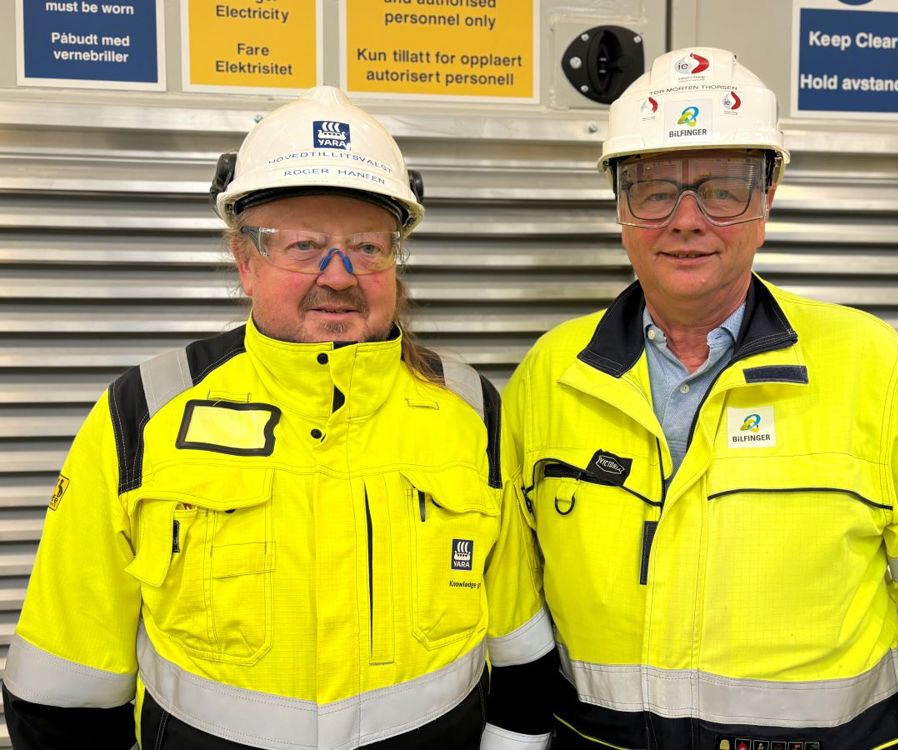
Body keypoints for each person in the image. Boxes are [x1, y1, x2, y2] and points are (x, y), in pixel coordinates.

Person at [2, 86, 554, 750]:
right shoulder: (144, 412)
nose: (340, 275)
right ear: (244, 261)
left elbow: (522, 660)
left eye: (368, 247)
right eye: (303, 246)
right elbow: (64, 685)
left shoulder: (471, 411)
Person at [503, 47, 898, 749]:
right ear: (620, 205)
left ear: (767, 199)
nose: (686, 219)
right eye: (652, 189)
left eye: (724, 189)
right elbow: (509, 589)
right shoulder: (551, 375)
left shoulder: (870, 367)